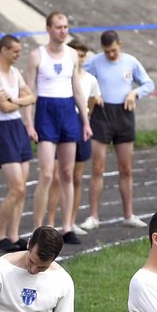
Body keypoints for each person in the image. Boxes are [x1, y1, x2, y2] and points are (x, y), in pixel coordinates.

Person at [25, 12, 92, 244]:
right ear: (49, 29)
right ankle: (38, 228)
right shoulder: (37, 56)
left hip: (67, 113)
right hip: (46, 112)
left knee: (67, 173)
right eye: (58, 27)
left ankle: (67, 226)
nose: (63, 31)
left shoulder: (72, 55)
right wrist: (29, 123)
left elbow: (77, 89)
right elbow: (28, 93)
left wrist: (85, 120)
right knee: (46, 174)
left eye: (65, 27)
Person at [80, 30, 156, 230]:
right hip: (102, 116)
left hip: (124, 114)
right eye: (107, 52)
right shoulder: (95, 61)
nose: (111, 55)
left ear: (119, 44)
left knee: (126, 168)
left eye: (113, 50)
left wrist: (135, 92)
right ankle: (93, 216)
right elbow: (79, 78)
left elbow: (149, 83)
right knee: (98, 168)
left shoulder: (130, 61)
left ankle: (128, 214)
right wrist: (93, 95)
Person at [0, 35, 37, 253]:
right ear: (4, 50)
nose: (18, 55)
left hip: (18, 128)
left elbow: (31, 97)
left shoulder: (15, 73)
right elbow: (3, 108)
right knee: (16, 187)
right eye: (15, 51)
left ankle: (14, 235)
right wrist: (18, 101)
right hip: (3, 129)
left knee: (22, 189)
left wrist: (15, 100)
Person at [46, 38, 100, 236]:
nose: (80, 58)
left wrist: (86, 117)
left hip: (78, 121)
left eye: (83, 55)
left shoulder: (89, 79)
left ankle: (70, 220)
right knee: (56, 177)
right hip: (62, 121)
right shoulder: (61, 75)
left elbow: (92, 100)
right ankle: (50, 222)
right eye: (76, 53)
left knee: (76, 177)